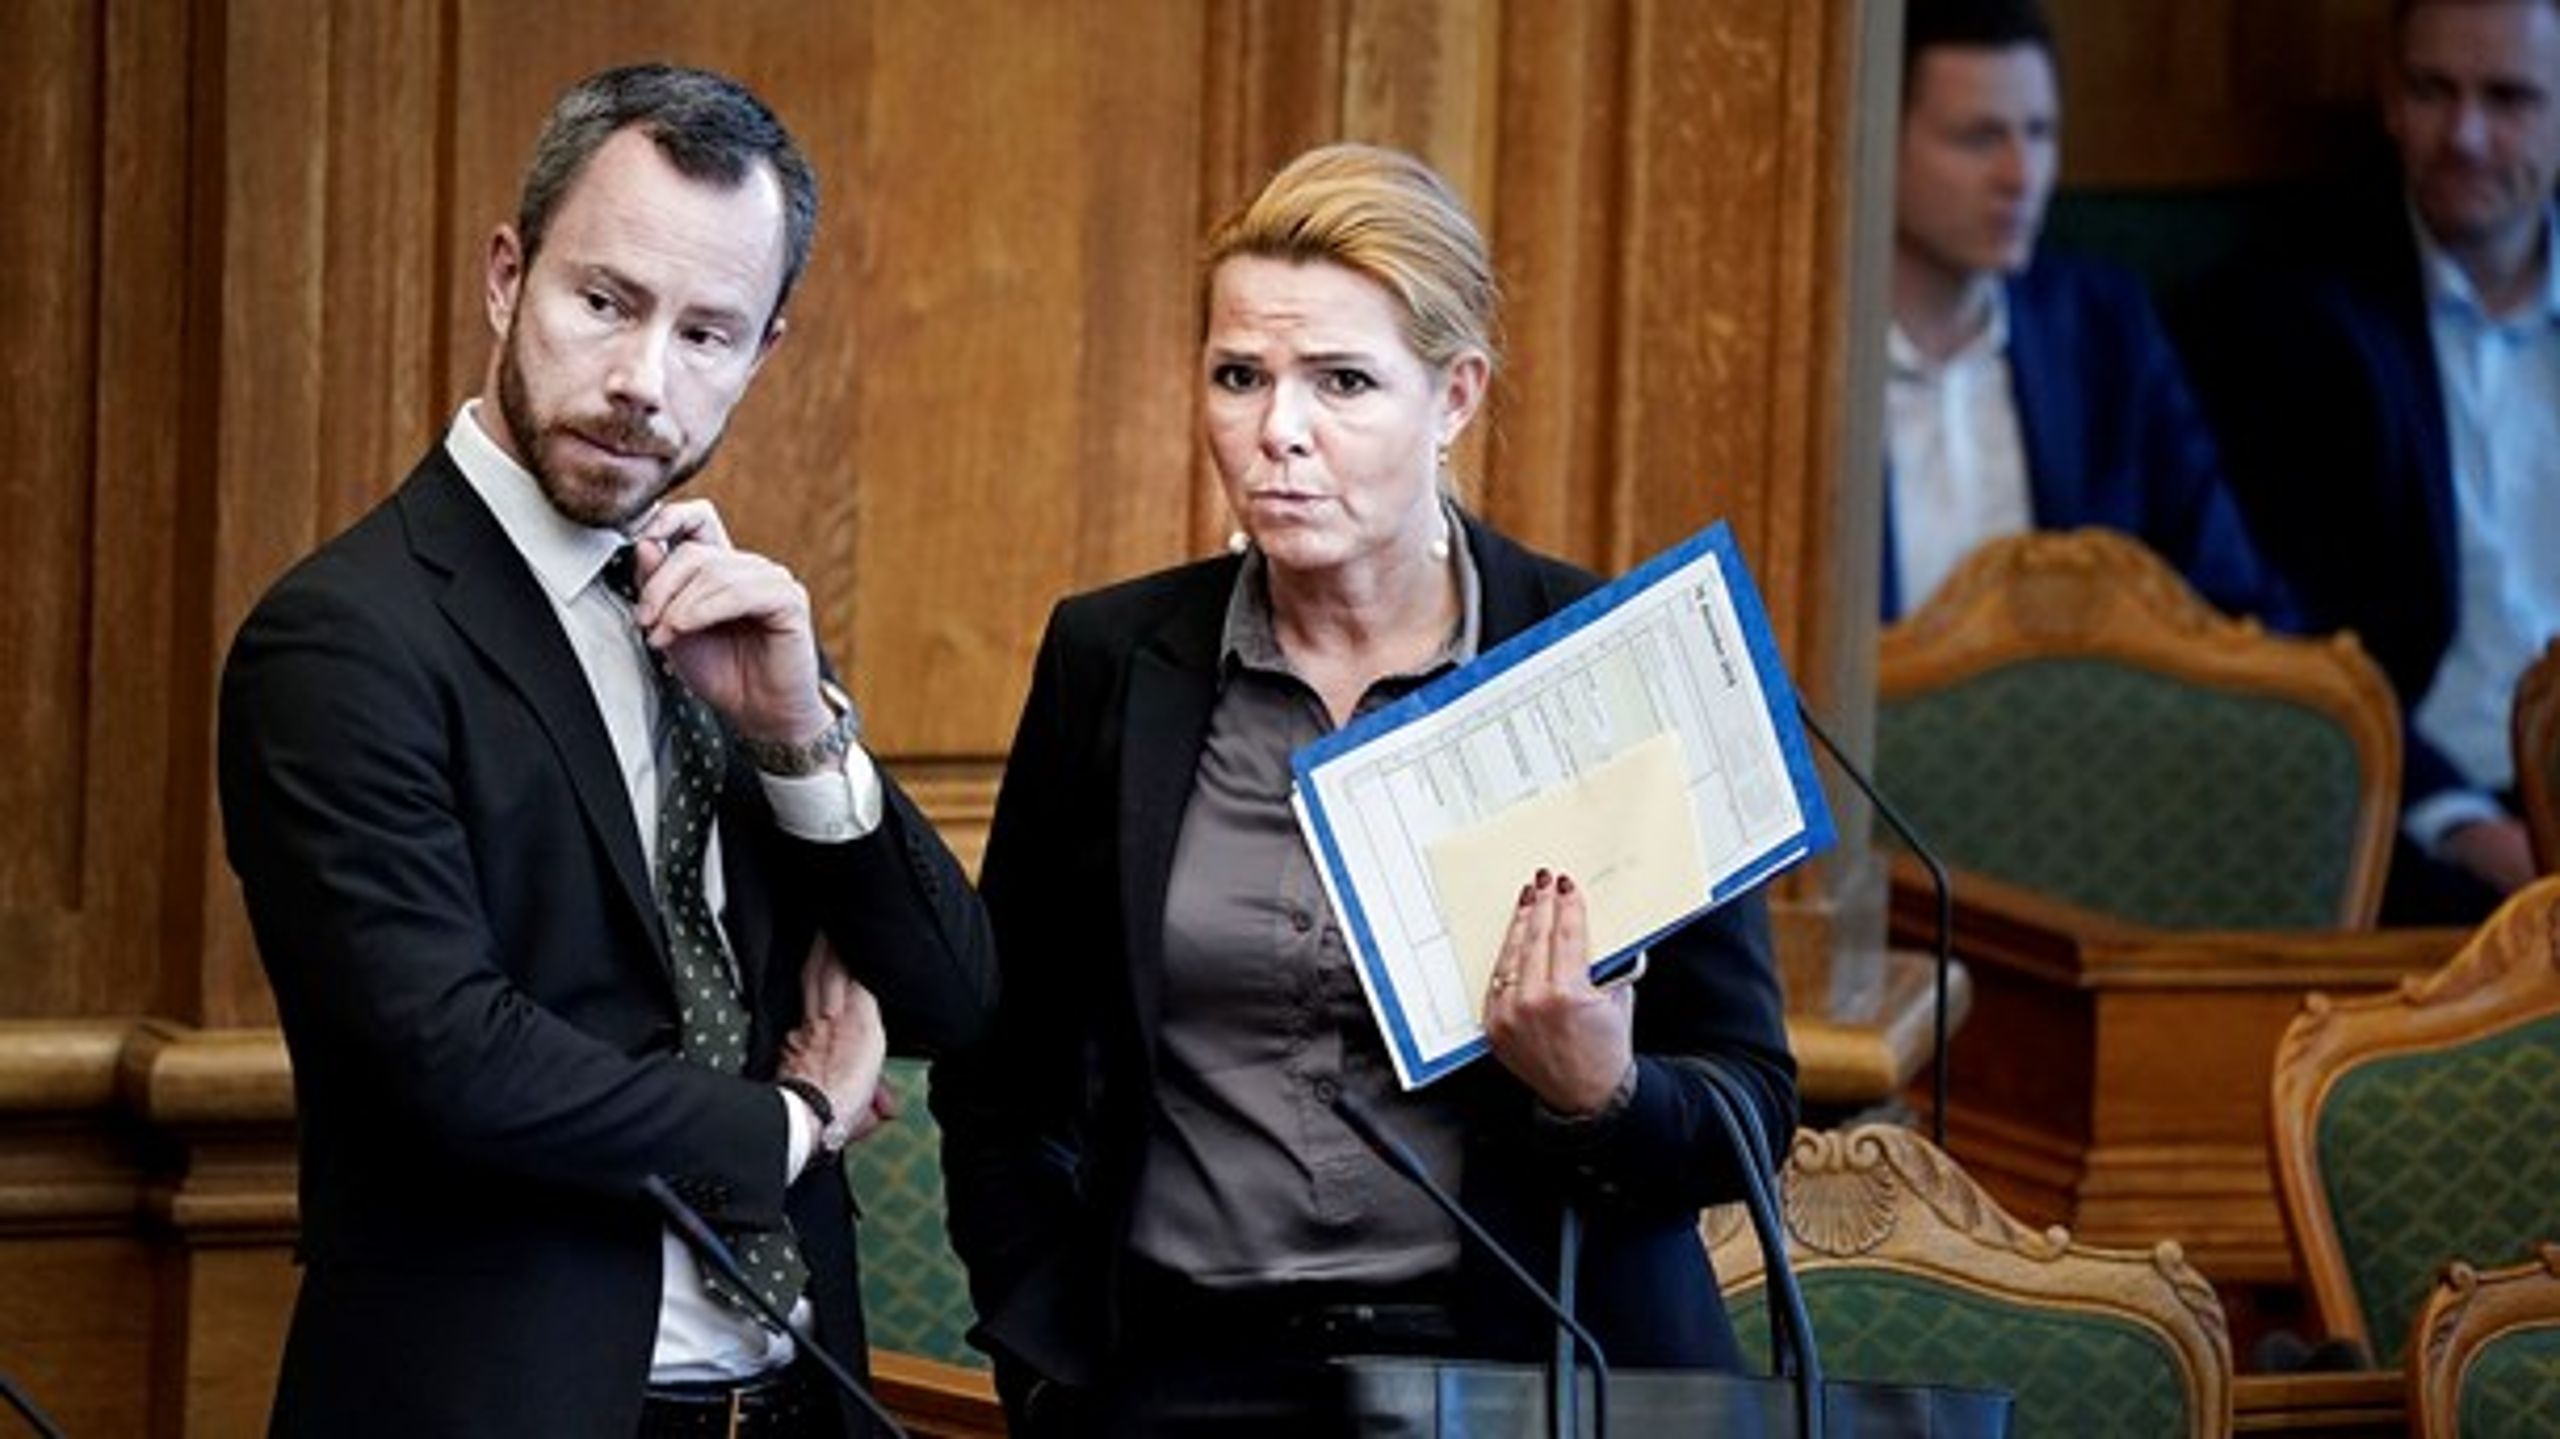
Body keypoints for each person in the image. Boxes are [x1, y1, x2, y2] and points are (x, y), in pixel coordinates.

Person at [929, 143, 1797, 1437]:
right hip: (1182, 1375)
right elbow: (1004, 1070)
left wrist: (1601, 1089)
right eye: (1240, 375)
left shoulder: (1603, 660)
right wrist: (1050, 1353)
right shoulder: (1111, 657)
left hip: (1533, 1377)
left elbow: (1750, 1105)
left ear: (1455, 396)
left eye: (1341, 380)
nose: (1278, 429)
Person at [217, 64, 995, 1437]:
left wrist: (801, 733)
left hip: (794, 1399)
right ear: (507, 278)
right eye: (606, 302)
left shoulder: (722, 616)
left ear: (763, 354)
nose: (643, 381)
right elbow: (453, 1059)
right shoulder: (340, 638)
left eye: (707, 333)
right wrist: (795, 1120)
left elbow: (950, 996)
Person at [2197, 0, 2560, 922]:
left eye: (2509, 98)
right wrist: (2467, 825)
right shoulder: (2292, 318)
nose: (2465, 136)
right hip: (2415, 819)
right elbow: (2292, 628)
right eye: (2433, 91)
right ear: (2389, 99)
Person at [1884, 0, 2293, 623]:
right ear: (1879, 143)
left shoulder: (2106, 329)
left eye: (2040, 133)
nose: (2020, 175)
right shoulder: (1801, 348)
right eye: (1980, 138)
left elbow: (2233, 594)